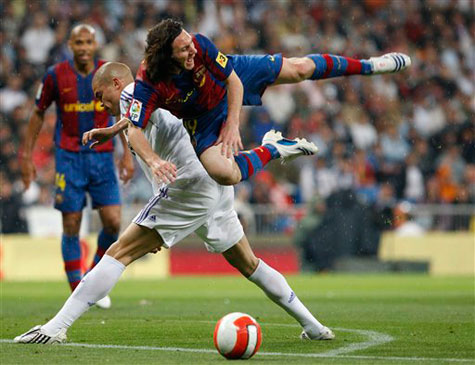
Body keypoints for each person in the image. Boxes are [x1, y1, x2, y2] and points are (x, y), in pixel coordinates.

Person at [14, 62, 334, 344]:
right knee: (248, 264)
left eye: (100, 96)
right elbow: (141, 118)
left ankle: (56, 327)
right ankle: (314, 325)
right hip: (211, 183)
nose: (100, 103)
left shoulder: (129, 94)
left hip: (187, 186)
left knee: (118, 253)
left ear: (116, 84)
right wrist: (112, 130)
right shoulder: (150, 94)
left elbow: (136, 122)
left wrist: (152, 161)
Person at [116, 19, 410, 186]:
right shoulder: (149, 83)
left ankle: (370, 65)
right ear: (167, 55)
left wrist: (233, 125)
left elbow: (234, 81)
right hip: (202, 116)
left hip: (228, 77)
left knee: (300, 69)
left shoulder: (200, 45)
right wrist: (153, 161)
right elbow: (135, 129)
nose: (193, 49)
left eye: (191, 43)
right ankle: (273, 149)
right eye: (184, 49)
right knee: (223, 174)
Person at [20, 25, 134, 307]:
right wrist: (26, 156)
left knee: (113, 221)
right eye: (79, 42)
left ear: (95, 44)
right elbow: (37, 113)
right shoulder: (55, 75)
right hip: (69, 157)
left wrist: (127, 153)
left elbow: (120, 110)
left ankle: (91, 281)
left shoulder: (107, 75)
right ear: (70, 44)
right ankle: (78, 290)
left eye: (88, 42)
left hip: (103, 156)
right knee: (71, 223)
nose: (84, 47)